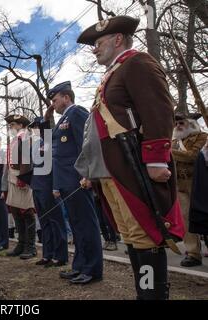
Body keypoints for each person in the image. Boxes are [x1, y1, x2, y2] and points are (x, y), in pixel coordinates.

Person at [76, 15, 185, 299]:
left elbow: (158, 109)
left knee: (145, 235)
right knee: (131, 237)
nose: (94, 49)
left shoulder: (138, 63)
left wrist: (157, 159)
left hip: (133, 167)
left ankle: (152, 296)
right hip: (114, 171)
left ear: (118, 39)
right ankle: (144, 294)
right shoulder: (113, 74)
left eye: (98, 43)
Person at [44, 81, 103, 284]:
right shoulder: (62, 120)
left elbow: (86, 145)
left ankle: (93, 269)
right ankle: (80, 265)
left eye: (55, 100)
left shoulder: (76, 113)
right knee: (77, 226)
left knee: (86, 224)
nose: (53, 104)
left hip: (78, 180)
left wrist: (87, 174)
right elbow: (56, 151)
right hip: (67, 181)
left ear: (66, 97)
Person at [27, 117, 68, 267]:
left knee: (55, 222)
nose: (33, 130)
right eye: (32, 128)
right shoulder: (34, 146)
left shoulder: (50, 142)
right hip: (37, 186)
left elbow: (56, 164)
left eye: (36, 127)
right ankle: (47, 254)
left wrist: (56, 186)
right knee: (44, 223)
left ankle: (60, 255)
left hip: (49, 186)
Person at [172, 112, 208, 267]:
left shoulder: (202, 137)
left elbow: (193, 156)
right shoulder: (174, 141)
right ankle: (193, 253)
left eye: (182, 123)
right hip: (180, 184)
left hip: (199, 182)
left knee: (204, 214)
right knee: (186, 218)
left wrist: (170, 152)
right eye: (177, 124)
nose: (178, 126)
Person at [3, 114, 37, 260]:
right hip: (13, 177)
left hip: (21, 177)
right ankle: (21, 244)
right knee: (16, 211)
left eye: (12, 125)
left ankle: (31, 246)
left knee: (27, 211)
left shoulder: (25, 137)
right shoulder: (15, 139)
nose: (10, 128)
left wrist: (23, 177)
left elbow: (26, 158)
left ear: (20, 125)